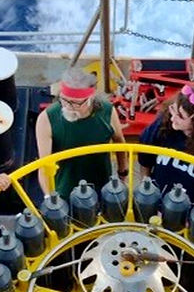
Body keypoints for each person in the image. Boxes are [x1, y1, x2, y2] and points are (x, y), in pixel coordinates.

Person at [35, 67, 128, 199]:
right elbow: (43, 165)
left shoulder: (107, 111)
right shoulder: (47, 118)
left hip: (102, 188)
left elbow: (119, 142)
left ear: (90, 98)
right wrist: (49, 197)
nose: (68, 106)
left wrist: (122, 174)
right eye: (64, 100)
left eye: (75, 103)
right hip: (64, 191)